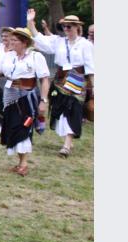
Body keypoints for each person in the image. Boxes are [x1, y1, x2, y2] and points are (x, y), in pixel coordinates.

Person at [26, 9, 94, 158]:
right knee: (60, 110)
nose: (67, 29)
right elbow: (39, 39)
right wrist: (30, 21)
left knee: (73, 109)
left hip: (78, 81)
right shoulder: (59, 41)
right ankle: (67, 139)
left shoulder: (85, 44)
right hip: (60, 80)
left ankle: (67, 145)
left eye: (69, 26)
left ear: (77, 27)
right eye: (64, 26)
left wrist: (93, 86)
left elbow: (90, 66)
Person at [0, 28, 50, 176]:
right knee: (12, 127)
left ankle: (24, 163)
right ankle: (20, 162)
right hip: (10, 96)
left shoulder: (35, 57)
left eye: (14, 40)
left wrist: (44, 100)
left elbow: (44, 79)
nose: (10, 42)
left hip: (27, 97)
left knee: (23, 127)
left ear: (24, 42)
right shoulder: (8, 57)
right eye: (10, 40)